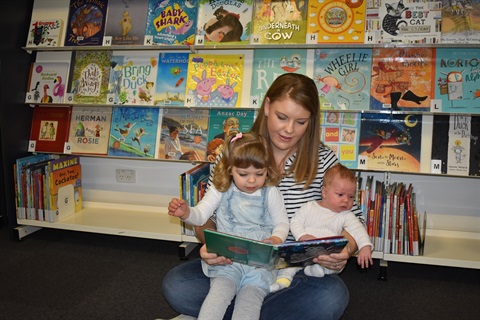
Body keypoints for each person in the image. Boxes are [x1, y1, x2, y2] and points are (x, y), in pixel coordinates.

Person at [162, 73, 364, 320]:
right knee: (176, 284)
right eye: (282, 117)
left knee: (330, 297)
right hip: (232, 262)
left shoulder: (324, 161)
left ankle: (234, 310)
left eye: (301, 122)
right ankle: (255, 310)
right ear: (267, 106)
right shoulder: (235, 152)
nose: (289, 130)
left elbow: (353, 217)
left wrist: (345, 250)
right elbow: (207, 219)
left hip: (292, 270)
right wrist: (210, 247)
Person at [168, 131, 289, 320]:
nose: (251, 180)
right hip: (228, 258)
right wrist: (186, 213)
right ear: (230, 168)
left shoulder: (271, 192)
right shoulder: (221, 188)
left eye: (260, 173)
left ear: (268, 169)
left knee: (249, 303)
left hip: (259, 262)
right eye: (243, 173)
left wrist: (276, 238)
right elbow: (200, 216)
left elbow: (282, 222)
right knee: (218, 295)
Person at [271, 164, 373, 292]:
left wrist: (365, 246)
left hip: (327, 255)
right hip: (304, 249)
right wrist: (302, 236)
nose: (346, 200)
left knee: (335, 268)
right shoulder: (309, 207)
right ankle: (282, 282)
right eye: (340, 194)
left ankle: (316, 270)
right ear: (325, 192)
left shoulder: (346, 215)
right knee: (289, 265)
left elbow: (358, 230)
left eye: (351, 196)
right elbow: (295, 222)